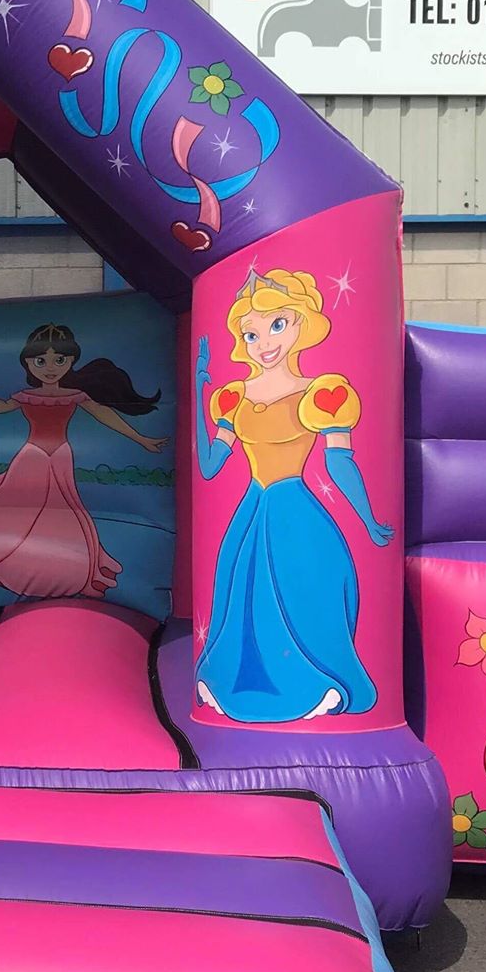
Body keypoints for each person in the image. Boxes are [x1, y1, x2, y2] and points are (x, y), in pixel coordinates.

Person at [193, 268, 393, 722]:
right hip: (252, 510)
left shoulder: (322, 393)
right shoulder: (232, 397)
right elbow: (209, 466)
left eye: (277, 325)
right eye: (251, 333)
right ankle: (241, 686)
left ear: (301, 324)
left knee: (302, 596)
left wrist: (366, 518)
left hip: (294, 510)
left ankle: (312, 683)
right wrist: (198, 384)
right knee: (242, 601)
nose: (264, 342)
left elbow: (338, 462)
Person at [0, 322, 165, 600]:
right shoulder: (27, 396)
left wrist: (140, 439)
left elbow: (105, 415)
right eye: (41, 360)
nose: (50, 366)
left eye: (59, 360)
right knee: (17, 509)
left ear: (71, 361)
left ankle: (65, 562)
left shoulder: (74, 396)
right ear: (28, 364)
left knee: (65, 510)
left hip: (59, 456)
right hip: (32, 456)